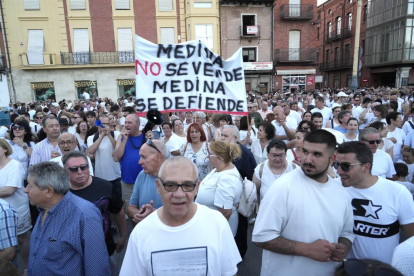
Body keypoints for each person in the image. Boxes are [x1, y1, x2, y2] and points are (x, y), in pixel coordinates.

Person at [252, 130, 354, 276]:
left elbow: (347, 232)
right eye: (305, 152)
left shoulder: (341, 192)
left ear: (333, 158)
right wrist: (306, 249)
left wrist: (343, 246)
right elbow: (261, 236)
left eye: (317, 154)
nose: (307, 159)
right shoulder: (282, 187)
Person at [120, 157, 241, 275]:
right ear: (158, 186)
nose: (179, 194)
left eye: (188, 185)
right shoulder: (141, 233)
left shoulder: (217, 223)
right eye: (170, 185)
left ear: (197, 188)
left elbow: (229, 272)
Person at [25, 162, 110, 275]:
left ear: (49, 191)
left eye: (30, 186)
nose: (25, 190)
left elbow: (97, 268)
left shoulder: (85, 215)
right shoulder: (43, 207)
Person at [336, 141, 414, 264]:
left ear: (366, 167)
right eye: (337, 165)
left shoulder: (398, 193)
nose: (339, 171)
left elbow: (411, 239)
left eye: (345, 166)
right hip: (344, 270)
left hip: (384, 270)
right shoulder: (333, 188)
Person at [63, 151, 126, 261]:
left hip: (105, 249)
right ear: (65, 171)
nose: (80, 172)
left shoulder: (105, 186)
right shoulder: (60, 192)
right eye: (73, 169)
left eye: (83, 167)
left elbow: (118, 211)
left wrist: (123, 236)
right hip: (73, 253)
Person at [220, 125, 257, 258]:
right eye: (222, 135)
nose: (222, 138)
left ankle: (239, 254)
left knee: (240, 228)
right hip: (223, 199)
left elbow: (252, 176)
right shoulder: (222, 151)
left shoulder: (245, 154)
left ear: (235, 138)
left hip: (239, 200)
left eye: (226, 136)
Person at [195, 140, 242, 237]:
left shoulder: (227, 179)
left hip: (217, 232)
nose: (208, 156)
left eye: (210, 154)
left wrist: (212, 231)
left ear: (219, 159)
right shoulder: (218, 169)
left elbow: (225, 212)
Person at [0, 139, 31, 268]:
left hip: (17, 209)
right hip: (1, 213)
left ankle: (28, 267)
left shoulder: (15, 165)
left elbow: (10, 189)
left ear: (5, 149)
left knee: (21, 239)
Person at [127, 140, 167, 224]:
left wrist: (152, 215)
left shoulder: (176, 178)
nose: (139, 162)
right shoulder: (142, 175)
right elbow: (130, 209)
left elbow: (182, 215)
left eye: (144, 157)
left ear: (158, 157)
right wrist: (141, 215)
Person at [113, 114, 145, 210]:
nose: (126, 125)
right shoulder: (121, 137)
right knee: (131, 210)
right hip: (128, 182)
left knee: (145, 209)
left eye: (129, 123)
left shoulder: (145, 136)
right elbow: (116, 157)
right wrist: (124, 140)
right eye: (125, 122)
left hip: (144, 181)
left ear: (137, 124)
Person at [7, 120, 35, 185]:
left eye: (20, 128)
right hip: (9, 176)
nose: (17, 129)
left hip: (24, 179)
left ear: (25, 131)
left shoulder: (31, 144)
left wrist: (22, 144)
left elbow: (34, 155)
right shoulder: (8, 143)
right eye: (14, 127)